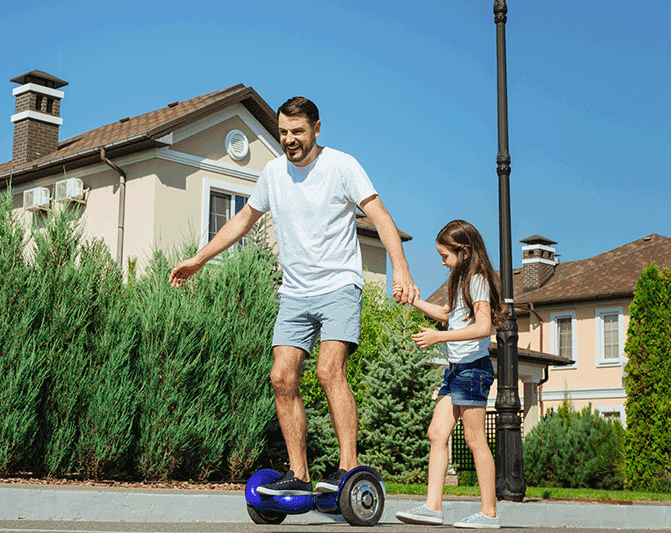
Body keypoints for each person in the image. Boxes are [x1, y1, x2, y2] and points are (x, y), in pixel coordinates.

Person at [169, 96, 418, 495]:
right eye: (283, 132)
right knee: (281, 378)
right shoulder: (272, 173)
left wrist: (401, 270)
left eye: (297, 132)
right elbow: (242, 219)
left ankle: (348, 469)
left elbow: (381, 217)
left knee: (328, 370)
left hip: (339, 285)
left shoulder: (342, 166)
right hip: (295, 293)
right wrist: (199, 258)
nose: (289, 139)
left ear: (317, 129)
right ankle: (299, 474)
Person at [394, 220, 503, 529]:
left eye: (445, 255)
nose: (442, 262)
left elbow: (483, 328)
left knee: (474, 439)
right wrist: (413, 300)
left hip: (473, 370)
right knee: (437, 433)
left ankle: (489, 513)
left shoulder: (479, 280)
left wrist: (438, 338)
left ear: (464, 252)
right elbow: (448, 315)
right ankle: (433, 507)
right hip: (456, 370)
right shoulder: (460, 280)